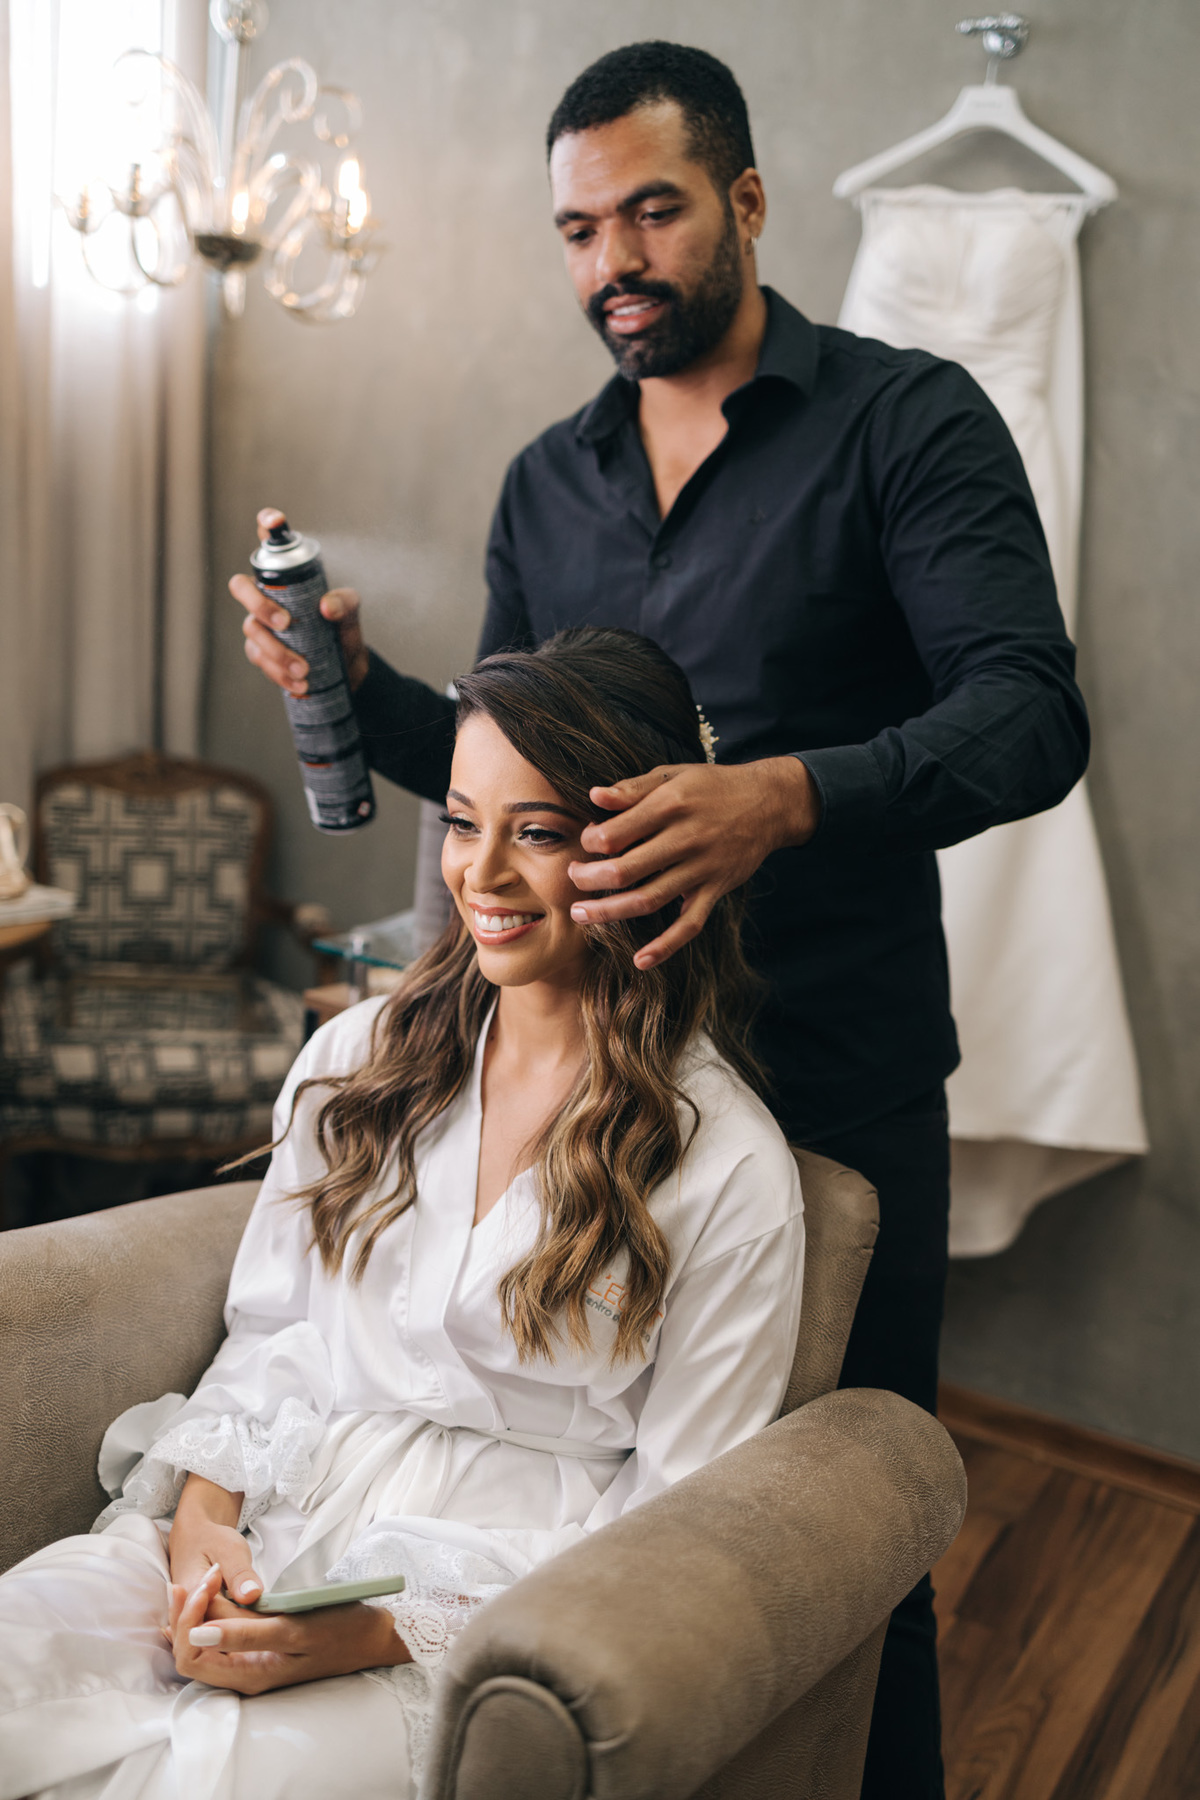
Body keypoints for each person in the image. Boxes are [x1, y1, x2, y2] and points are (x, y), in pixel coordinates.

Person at [230, 42, 1089, 1797]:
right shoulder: (548, 484)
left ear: (746, 203)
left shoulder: (907, 424)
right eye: (577, 230)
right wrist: (360, 691)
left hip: (825, 1071)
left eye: (652, 212)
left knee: (841, 1554)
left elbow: (1031, 714)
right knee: (613, 1513)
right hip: (586, 1086)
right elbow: (506, 772)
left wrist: (787, 795)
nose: (612, 260)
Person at [0, 629, 804, 1800]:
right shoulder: (357, 1058)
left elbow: (675, 1521)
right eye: (465, 822)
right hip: (273, 1502)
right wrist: (204, 1523)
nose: (482, 873)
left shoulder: (727, 1168)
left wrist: (381, 1628)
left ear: (642, 850)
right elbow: (272, 1334)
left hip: (488, 1595)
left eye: (538, 832)